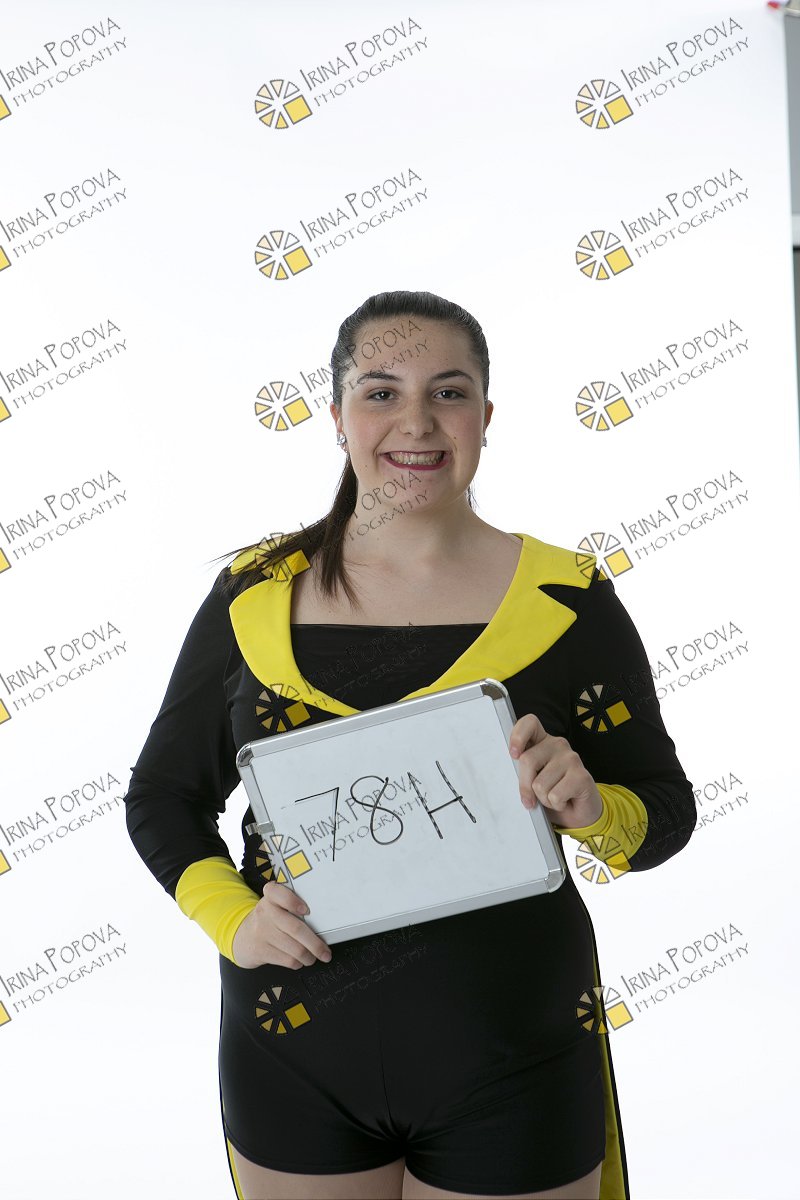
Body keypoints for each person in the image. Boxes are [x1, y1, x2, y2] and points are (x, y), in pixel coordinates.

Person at [124, 290, 696, 1200]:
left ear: (486, 417)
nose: (418, 423)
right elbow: (163, 796)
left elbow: (663, 817)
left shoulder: (567, 599)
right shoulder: (255, 595)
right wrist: (231, 918)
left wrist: (592, 807)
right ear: (337, 414)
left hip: (515, 1048)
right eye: (382, 392)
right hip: (295, 1046)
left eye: (450, 393)